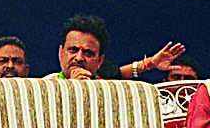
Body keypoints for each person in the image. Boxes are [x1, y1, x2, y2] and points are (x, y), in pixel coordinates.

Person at [50, 13, 182, 81]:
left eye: (88, 53)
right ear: (61, 53)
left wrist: (150, 63)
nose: (79, 58)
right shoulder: (44, 87)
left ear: (100, 61)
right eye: (73, 50)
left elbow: (118, 74)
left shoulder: (111, 90)